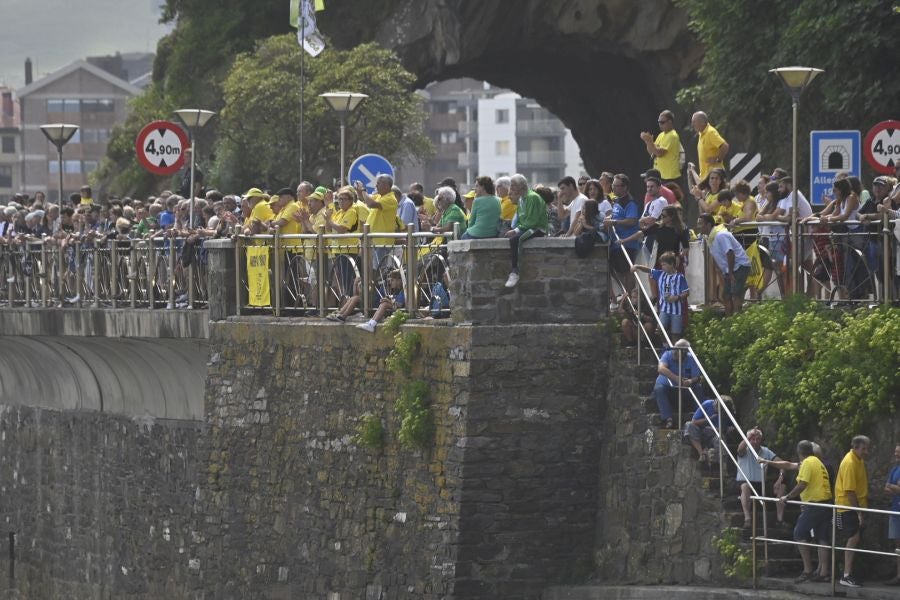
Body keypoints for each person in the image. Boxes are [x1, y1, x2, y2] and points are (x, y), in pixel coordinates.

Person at [772, 440, 833, 584]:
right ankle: (824, 573)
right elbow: (788, 465)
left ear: (799, 452)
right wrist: (767, 461)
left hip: (815, 504)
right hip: (827, 504)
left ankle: (807, 570)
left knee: (799, 533)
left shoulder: (807, 463)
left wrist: (787, 496)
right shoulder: (817, 462)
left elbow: (802, 484)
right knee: (822, 538)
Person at [697, 213, 751, 315]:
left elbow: (730, 253)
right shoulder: (710, 237)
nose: (698, 226)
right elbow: (717, 256)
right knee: (725, 295)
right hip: (729, 269)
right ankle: (729, 320)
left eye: (701, 224)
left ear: (708, 225)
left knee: (735, 295)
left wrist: (730, 273)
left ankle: (737, 320)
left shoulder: (720, 235)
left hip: (739, 266)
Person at [834, 435, 870, 588]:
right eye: (864, 449)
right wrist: (858, 512)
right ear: (855, 447)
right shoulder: (849, 462)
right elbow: (849, 490)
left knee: (855, 539)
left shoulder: (858, 460)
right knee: (853, 538)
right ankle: (846, 575)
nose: (866, 451)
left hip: (856, 506)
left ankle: (849, 573)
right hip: (847, 507)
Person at [503, 174, 548, 288]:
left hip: (538, 228)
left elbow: (532, 221)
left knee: (516, 240)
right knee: (511, 238)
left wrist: (516, 230)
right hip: (528, 227)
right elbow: (521, 220)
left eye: (513, 185)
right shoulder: (522, 199)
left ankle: (515, 272)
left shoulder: (532, 197)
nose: (511, 188)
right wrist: (516, 229)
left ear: (521, 186)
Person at [736, 428, 786, 529]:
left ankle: (780, 520)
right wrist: (748, 437)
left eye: (757, 439)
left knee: (782, 487)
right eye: (752, 439)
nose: (755, 441)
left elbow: (782, 464)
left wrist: (780, 479)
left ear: (761, 440)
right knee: (745, 486)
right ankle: (747, 519)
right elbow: (739, 449)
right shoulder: (745, 450)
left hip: (761, 484)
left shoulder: (766, 451)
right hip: (745, 483)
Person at [631, 251, 688, 338]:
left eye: (664, 265)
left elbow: (686, 292)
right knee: (659, 330)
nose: (662, 267)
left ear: (672, 264)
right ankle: (665, 346)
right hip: (664, 310)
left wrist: (676, 297)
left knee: (675, 334)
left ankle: (673, 351)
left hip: (676, 311)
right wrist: (637, 266)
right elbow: (648, 270)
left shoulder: (680, 277)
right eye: (662, 265)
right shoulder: (661, 274)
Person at [604, 174, 641, 307]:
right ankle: (625, 295)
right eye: (613, 185)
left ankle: (630, 298)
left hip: (627, 243)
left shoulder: (630, 202)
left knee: (627, 271)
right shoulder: (616, 201)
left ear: (625, 187)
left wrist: (613, 221)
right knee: (614, 269)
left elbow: (632, 221)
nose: (613, 188)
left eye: (616, 186)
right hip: (615, 243)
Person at [653, 339, 703, 429]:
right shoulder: (667, 354)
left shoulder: (690, 358)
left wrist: (689, 381)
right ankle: (668, 419)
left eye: (677, 351)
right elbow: (661, 369)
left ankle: (699, 417)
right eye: (674, 349)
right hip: (669, 390)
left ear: (684, 352)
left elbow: (697, 376)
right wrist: (676, 378)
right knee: (659, 389)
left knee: (698, 388)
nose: (674, 352)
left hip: (684, 390)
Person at [357, 175, 399, 266]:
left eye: (378, 184)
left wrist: (363, 190)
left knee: (379, 271)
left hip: (382, 241)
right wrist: (359, 190)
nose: (376, 186)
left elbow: (371, 203)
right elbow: (364, 198)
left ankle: (381, 280)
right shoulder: (379, 196)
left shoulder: (390, 199)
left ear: (387, 186)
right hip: (374, 240)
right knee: (371, 269)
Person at [683, 395, 735, 464]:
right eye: (717, 409)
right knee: (689, 425)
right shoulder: (707, 404)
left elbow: (729, 426)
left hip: (715, 435)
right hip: (701, 432)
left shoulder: (727, 412)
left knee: (720, 439)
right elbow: (694, 421)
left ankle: (723, 465)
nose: (719, 412)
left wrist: (729, 429)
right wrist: (709, 419)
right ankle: (701, 453)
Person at [640, 110, 682, 184]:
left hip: (670, 178)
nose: (660, 124)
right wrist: (647, 141)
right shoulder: (661, 135)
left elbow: (659, 153)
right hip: (661, 176)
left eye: (662, 122)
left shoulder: (672, 135)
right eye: (659, 122)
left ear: (670, 122)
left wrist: (650, 142)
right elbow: (652, 153)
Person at [691, 111, 729, 181]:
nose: (692, 125)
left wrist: (717, 159)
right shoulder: (701, 134)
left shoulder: (710, 132)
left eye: (694, 122)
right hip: (706, 178)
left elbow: (725, 146)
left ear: (702, 122)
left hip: (715, 178)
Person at [885, 443, 900, 586]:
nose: (896, 454)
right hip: (895, 510)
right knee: (898, 545)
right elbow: (887, 487)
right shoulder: (895, 469)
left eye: (898, 452)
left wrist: (894, 487)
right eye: (896, 452)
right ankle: (899, 575)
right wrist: (896, 487)